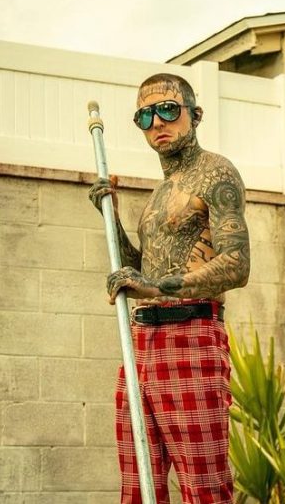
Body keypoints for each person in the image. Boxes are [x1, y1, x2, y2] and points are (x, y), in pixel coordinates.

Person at [89, 73, 250, 503]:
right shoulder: (159, 195)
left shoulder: (215, 172)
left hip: (190, 336)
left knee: (204, 488)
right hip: (141, 342)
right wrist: (111, 217)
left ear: (195, 115)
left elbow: (236, 265)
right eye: (145, 115)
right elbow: (139, 273)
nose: (157, 122)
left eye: (168, 109)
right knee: (139, 488)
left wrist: (154, 286)